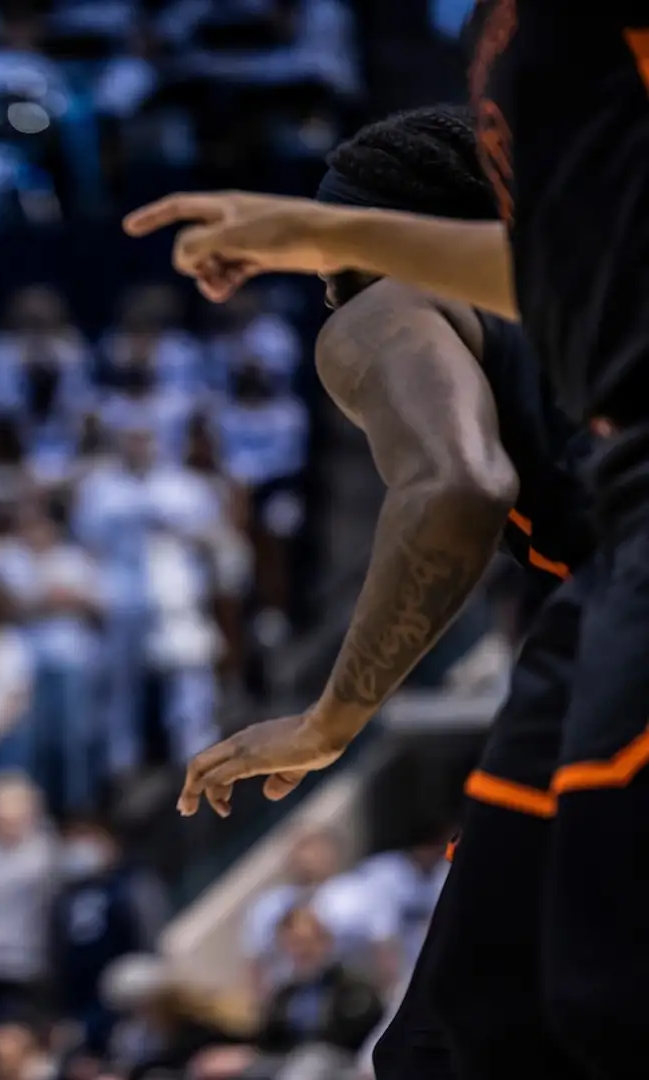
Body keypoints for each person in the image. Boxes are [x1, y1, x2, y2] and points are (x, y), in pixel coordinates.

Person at [143, 107, 597, 1080]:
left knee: (452, 1043)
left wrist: (329, 720)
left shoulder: (384, 306)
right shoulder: (593, 303)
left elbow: (458, 484)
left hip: (622, 629)